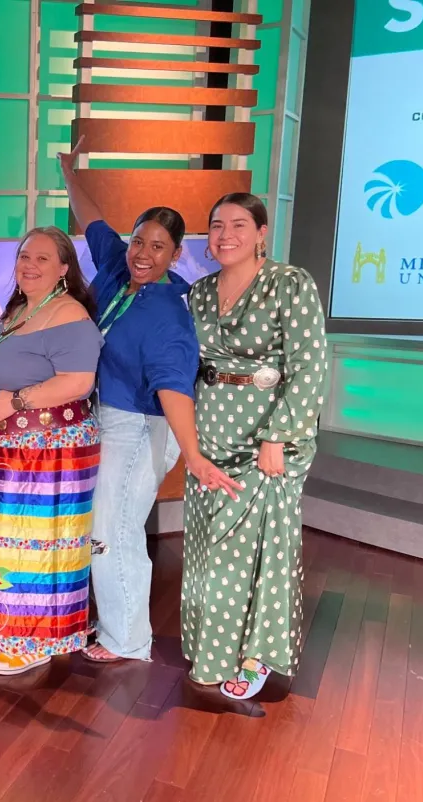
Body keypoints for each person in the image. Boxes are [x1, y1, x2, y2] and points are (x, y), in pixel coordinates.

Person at [58, 140, 242, 663]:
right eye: (139, 241)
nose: (143, 254)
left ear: (176, 254)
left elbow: (174, 389)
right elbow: (92, 220)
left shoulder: (169, 312)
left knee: (111, 531)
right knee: (104, 527)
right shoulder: (119, 269)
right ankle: (117, 622)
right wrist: (69, 171)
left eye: (158, 247)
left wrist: (194, 456)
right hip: (105, 418)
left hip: (140, 427)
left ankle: (127, 639)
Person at [181, 192, 326, 700]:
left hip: (268, 438)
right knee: (206, 546)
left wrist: (277, 437)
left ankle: (256, 655)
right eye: (216, 225)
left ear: (262, 232)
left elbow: (309, 366)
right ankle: (211, 649)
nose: (225, 235)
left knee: (256, 550)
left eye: (239, 225)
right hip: (210, 433)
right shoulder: (198, 293)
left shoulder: (290, 284)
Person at [0, 226, 102, 675]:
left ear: (65, 269)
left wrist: (17, 401)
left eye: (42, 258)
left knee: (37, 545)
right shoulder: (20, 311)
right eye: (25, 256)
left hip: (47, 451)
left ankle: (38, 639)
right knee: (7, 547)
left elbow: (78, 382)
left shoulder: (69, 315)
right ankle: (11, 631)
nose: (29, 265)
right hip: (6, 449)